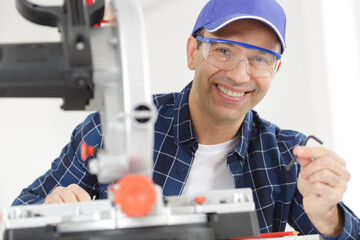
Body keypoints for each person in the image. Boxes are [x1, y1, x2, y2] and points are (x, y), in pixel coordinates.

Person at [12, 0, 359, 239]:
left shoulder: (287, 158)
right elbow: (20, 214)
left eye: (260, 59)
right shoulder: (112, 128)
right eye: (224, 50)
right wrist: (52, 210)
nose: (240, 75)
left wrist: (328, 216)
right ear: (193, 51)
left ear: (276, 69)